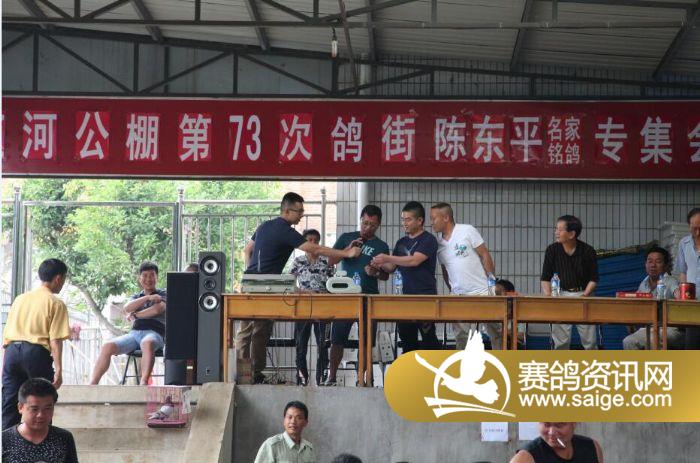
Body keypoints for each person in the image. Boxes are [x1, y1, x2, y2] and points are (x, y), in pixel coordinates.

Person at [236, 192, 361, 384]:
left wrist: (252, 274)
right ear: (287, 211)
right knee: (257, 331)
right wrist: (347, 253)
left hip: (252, 282)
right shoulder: (285, 230)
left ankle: (246, 376)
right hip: (266, 286)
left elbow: (247, 250)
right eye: (299, 211)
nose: (302, 214)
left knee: (251, 331)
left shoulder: (264, 226)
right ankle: (252, 374)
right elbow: (315, 249)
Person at [325, 205, 390, 386]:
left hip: (369, 297)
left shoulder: (381, 246)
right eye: (365, 223)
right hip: (345, 297)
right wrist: (347, 250)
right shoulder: (347, 238)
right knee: (337, 339)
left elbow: (386, 275)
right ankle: (331, 377)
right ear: (360, 220)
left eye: (372, 225)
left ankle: (363, 379)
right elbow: (330, 261)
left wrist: (375, 273)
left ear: (378, 225)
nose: (367, 228)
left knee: (366, 341)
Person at [2, 258, 70, 430]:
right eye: (64, 279)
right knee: (43, 401)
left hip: (12, 352)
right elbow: (55, 339)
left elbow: (7, 335)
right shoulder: (55, 303)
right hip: (35, 353)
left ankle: (6, 444)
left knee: (9, 404)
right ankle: (42, 442)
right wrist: (59, 370)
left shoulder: (20, 299)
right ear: (58, 278)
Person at [372, 201, 441, 353]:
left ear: (420, 220)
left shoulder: (428, 240)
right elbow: (391, 268)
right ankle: (410, 367)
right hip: (405, 297)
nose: (404, 223)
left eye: (408, 219)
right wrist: (378, 263)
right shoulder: (401, 242)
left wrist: (387, 257)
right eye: (403, 219)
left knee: (429, 338)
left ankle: (435, 367)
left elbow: (414, 260)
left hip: (425, 297)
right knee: (407, 339)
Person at [430, 203, 499, 350]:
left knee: (496, 331)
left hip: (482, 291)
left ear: (446, 218)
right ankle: (464, 363)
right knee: (461, 336)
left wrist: (492, 283)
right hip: (458, 296)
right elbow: (445, 271)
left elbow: (485, 255)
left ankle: (503, 361)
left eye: (434, 218)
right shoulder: (438, 244)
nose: (431, 222)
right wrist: (453, 289)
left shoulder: (467, 230)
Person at [90, 262, 166, 385]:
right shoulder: (137, 296)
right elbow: (127, 308)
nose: (148, 279)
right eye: (145, 275)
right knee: (107, 346)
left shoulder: (163, 293)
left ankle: (143, 382)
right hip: (134, 334)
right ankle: (92, 384)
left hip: (155, 333)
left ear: (157, 277)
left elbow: (157, 309)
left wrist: (136, 315)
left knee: (147, 343)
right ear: (139, 278)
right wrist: (147, 298)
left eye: (152, 275)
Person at [540, 215, 599, 350]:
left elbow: (594, 278)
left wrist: (585, 295)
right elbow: (545, 277)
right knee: (561, 341)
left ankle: (593, 362)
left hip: (583, 294)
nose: (556, 232)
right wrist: (549, 297)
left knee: (589, 340)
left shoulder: (588, 251)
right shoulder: (552, 250)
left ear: (572, 234)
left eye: (560, 230)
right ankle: (560, 363)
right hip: (560, 295)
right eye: (556, 229)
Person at [291, 229, 335, 386]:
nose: (313, 243)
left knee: (323, 344)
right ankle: (302, 378)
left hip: (322, 306)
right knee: (301, 344)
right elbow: (289, 284)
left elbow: (333, 284)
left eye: (316, 240)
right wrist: (303, 292)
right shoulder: (298, 261)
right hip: (302, 306)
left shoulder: (326, 261)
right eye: (309, 240)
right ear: (304, 243)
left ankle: (321, 378)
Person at [2, 378, 78, 462]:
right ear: (20, 407)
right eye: (34, 409)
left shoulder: (64, 438)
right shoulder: (4, 440)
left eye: (47, 408)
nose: (40, 415)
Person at [623, 246, 684, 350]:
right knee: (628, 341)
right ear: (645, 264)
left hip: (670, 329)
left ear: (666, 265)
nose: (653, 265)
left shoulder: (670, 281)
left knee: (653, 340)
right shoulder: (643, 284)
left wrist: (679, 295)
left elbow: (678, 294)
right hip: (649, 328)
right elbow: (634, 303)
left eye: (658, 262)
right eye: (650, 261)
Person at [510, 422, 603, 463]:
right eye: (546, 424)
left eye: (559, 425)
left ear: (574, 422)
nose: (552, 432)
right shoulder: (525, 458)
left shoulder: (592, 447)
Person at [677, 207, 700, 348]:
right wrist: (683, 296)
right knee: (692, 345)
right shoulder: (683, 244)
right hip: (692, 303)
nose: (697, 233)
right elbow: (683, 272)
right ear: (689, 226)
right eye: (694, 228)